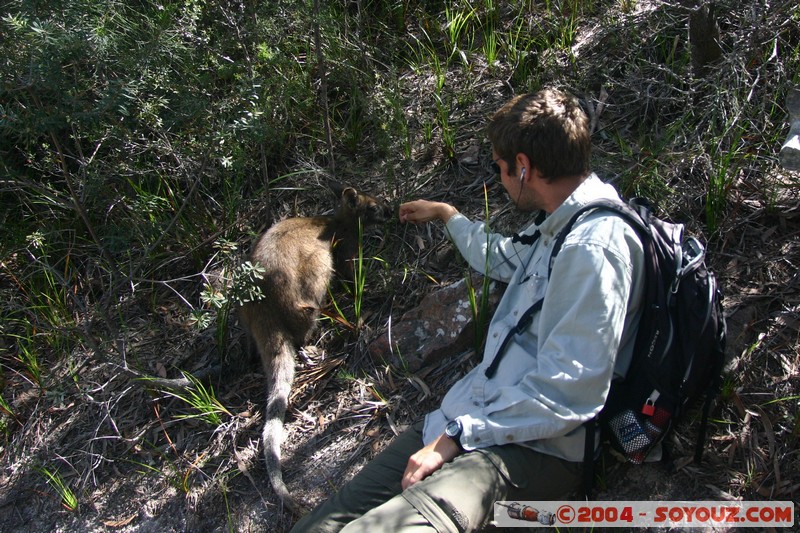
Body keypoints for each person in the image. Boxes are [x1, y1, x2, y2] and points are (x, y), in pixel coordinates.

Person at [290, 88, 645, 532]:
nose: (499, 178)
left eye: (499, 167)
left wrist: (458, 437)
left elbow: (569, 392)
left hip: (535, 447)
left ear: (523, 167)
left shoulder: (593, 248)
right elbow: (498, 256)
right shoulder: (559, 223)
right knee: (323, 523)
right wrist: (446, 214)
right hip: (474, 417)